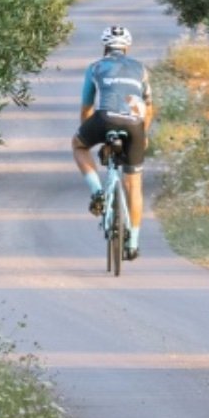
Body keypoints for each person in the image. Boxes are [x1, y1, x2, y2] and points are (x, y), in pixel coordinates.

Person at [72, 25, 154, 259]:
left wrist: (87, 133)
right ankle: (133, 243)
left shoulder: (95, 67)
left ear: (105, 46)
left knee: (78, 145)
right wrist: (143, 134)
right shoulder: (141, 69)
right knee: (134, 185)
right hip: (134, 124)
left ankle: (98, 191)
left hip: (104, 119)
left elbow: (87, 107)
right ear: (127, 46)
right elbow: (149, 108)